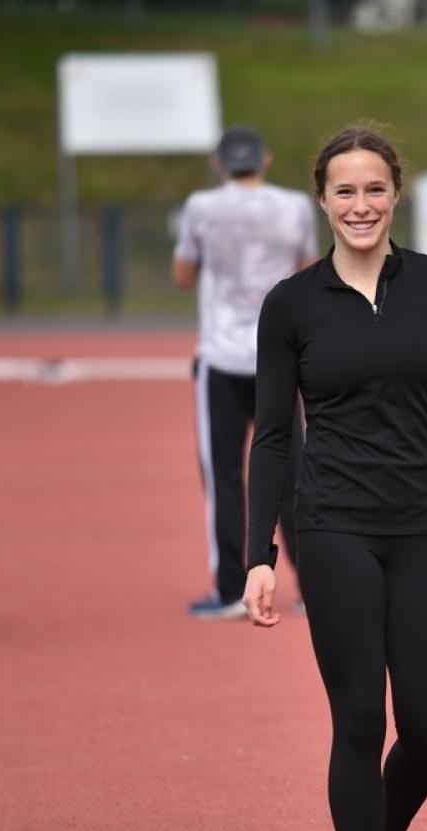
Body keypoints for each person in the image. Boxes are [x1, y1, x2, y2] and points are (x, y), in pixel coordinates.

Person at [243, 125, 427, 831]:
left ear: (397, 194)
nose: (361, 204)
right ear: (322, 200)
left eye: (374, 189)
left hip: (426, 527)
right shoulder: (292, 303)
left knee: (426, 730)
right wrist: (258, 554)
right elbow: (273, 437)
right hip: (334, 527)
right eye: (345, 191)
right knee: (358, 717)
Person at [172, 124, 316, 619]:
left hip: (222, 355)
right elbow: (306, 266)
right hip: (277, 356)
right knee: (297, 475)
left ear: (219, 164)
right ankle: (313, 585)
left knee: (224, 476)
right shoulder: (294, 206)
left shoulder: (201, 207)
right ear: (266, 159)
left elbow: (182, 273)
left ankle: (232, 588)